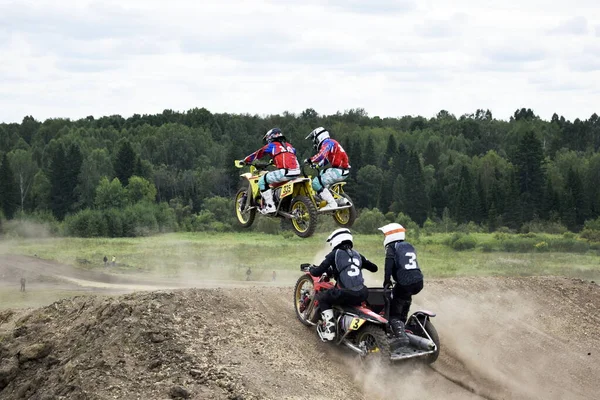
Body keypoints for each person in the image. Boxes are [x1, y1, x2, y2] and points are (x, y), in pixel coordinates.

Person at [309, 228, 378, 341]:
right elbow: (374, 268)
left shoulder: (334, 254)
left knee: (322, 298)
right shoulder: (358, 255)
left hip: (346, 293)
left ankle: (329, 330)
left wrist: (312, 269)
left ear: (336, 240)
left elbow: (317, 272)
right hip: (363, 293)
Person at [378, 223, 424, 347]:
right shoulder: (409, 246)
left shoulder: (392, 247)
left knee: (393, 312)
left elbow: (388, 267)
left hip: (404, 283)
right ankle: (402, 324)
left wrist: (386, 281)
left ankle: (400, 337)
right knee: (404, 300)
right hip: (418, 281)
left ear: (391, 236)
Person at [243, 128, 301, 214]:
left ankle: (270, 206)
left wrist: (246, 160)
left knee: (262, 181)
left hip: (286, 172)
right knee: (274, 182)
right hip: (297, 172)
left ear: (270, 137)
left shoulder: (272, 145)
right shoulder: (289, 146)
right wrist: (275, 160)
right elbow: (288, 156)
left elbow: (258, 153)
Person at [303, 127, 351, 211]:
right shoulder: (332, 142)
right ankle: (330, 196)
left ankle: (331, 203)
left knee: (315, 183)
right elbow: (325, 159)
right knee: (322, 172)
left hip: (338, 171)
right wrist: (317, 165)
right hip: (342, 170)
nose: (314, 142)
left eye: (315, 140)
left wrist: (310, 160)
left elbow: (321, 155)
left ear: (319, 137)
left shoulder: (327, 142)